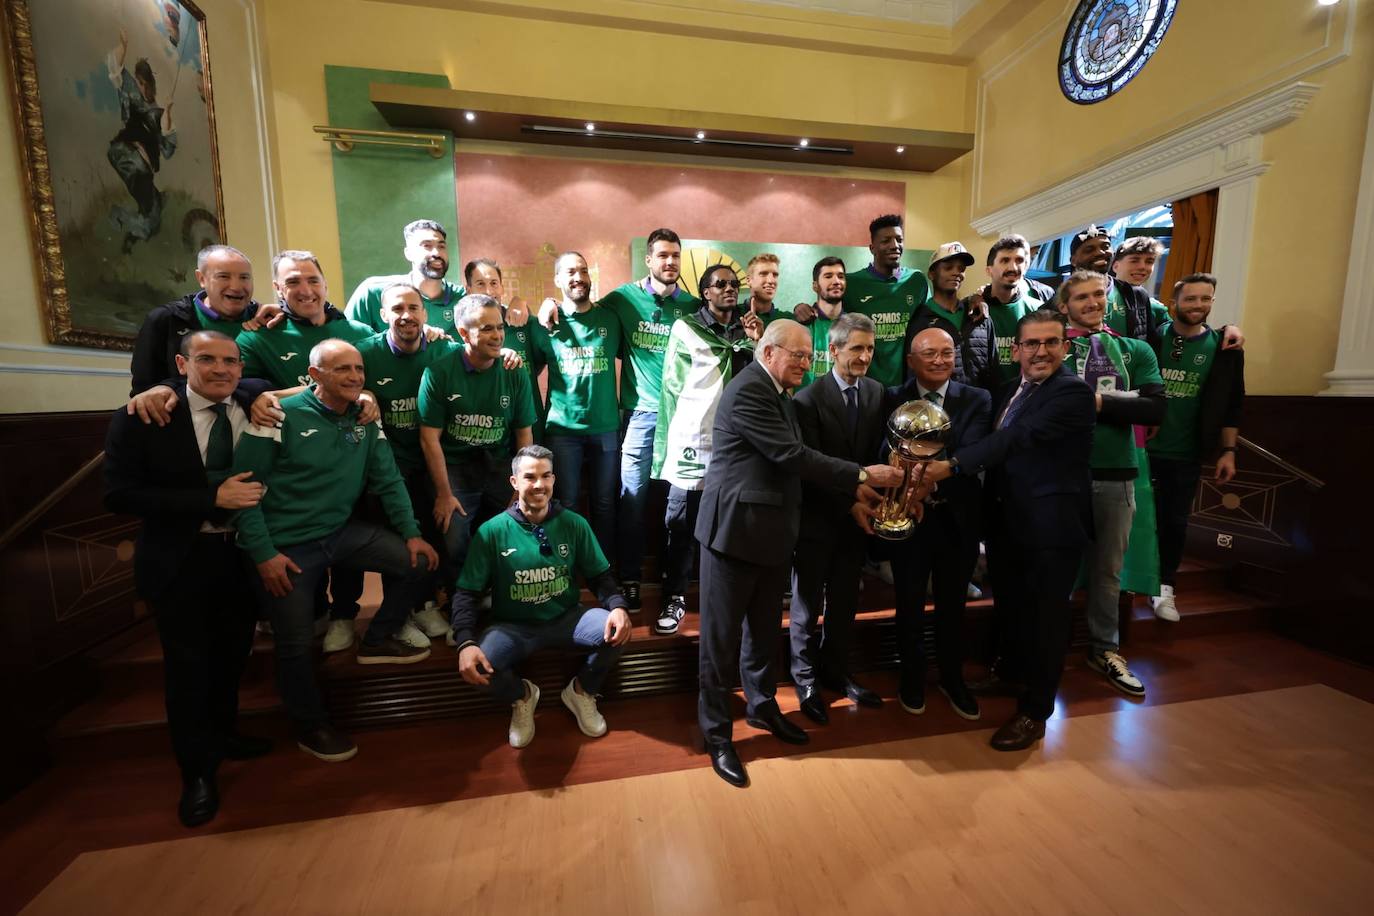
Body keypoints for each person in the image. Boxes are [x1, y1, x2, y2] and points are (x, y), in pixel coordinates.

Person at [694, 319, 903, 787]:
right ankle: (717, 735)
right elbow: (792, 455)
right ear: (768, 352)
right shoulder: (750, 389)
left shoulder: (779, 392)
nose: (806, 365)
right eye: (798, 356)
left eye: (810, 357)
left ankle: (763, 708)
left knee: (763, 634)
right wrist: (862, 476)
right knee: (720, 643)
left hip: (770, 535)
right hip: (733, 535)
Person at [232, 339, 440, 763]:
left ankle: (379, 638)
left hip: (338, 534)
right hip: (284, 548)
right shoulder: (277, 416)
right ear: (313, 375)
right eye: (341, 369)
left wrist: (411, 532)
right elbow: (243, 492)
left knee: (420, 561)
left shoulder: (365, 418)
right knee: (295, 643)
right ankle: (312, 726)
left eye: (359, 370)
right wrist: (263, 554)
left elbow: (389, 480)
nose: (355, 377)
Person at [104, 330, 271, 828]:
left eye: (230, 361)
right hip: (181, 560)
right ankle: (197, 773)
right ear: (181, 363)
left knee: (233, 655)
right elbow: (117, 495)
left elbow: (302, 386)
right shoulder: (145, 416)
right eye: (207, 359)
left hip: (241, 557)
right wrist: (209, 500)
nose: (220, 369)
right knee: (187, 669)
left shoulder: (250, 400)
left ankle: (225, 734)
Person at [926, 308, 1096, 751]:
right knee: (1015, 611)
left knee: (1047, 621)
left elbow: (1014, 439)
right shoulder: (1005, 391)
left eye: (1051, 343)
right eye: (1032, 344)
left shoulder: (1072, 394)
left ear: (1065, 346)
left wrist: (950, 466)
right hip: (1007, 525)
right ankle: (1011, 676)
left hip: (1051, 529)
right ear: (1016, 349)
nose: (1041, 352)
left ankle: (1036, 712)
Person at [539, 229, 700, 610]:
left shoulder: (692, 306)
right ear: (649, 259)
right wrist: (545, 301)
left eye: (675, 255)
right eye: (662, 255)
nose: (670, 262)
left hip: (685, 418)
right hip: (640, 416)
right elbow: (578, 305)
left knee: (678, 501)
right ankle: (626, 577)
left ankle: (673, 579)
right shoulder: (622, 301)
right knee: (631, 500)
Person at [452, 446, 633, 748]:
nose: (539, 484)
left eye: (546, 476)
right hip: (513, 626)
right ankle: (522, 697)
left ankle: (581, 691)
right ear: (514, 482)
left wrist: (617, 607)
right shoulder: (491, 532)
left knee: (618, 632)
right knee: (480, 665)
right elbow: (466, 593)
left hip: (567, 618)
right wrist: (465, 642)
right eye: (530, 477)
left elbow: (600, 577)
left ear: (554, 479)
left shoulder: (574, 524)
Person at [324, 283, 459, 653]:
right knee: (390, 540)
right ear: (382, 316)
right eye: (397, 308)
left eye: (413, 308)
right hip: (381, 466)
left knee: (431, 534)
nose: (406, 315)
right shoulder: (365, 354)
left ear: (424, 313)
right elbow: (336, 387)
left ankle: (425, 605)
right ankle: (384, 618)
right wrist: (364, 394)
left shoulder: (445, 350)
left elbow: (479, 355)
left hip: (432, 462)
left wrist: (508, 352)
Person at [1057, 270, 1166, 698]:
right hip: (1063, 474)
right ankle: (1045, 646)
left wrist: (1096, 401)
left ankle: (1104, 649)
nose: (1091, 303)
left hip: (1116, 473)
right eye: (1081, 297)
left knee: (1107, 571)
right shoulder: (1058, 348)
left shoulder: (1134, 349)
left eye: (1097, 295)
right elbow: (1052, 404)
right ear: (1065, 304)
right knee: (1056, 567)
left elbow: (1155, 408)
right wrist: (1125, 401)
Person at [884, 328, 992, 720]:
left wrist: (926, 473)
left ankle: (952, 678)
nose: (940, 360)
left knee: (953, 606)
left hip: (957, 520)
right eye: (930, 353)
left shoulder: (977, 399)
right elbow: (885, 450)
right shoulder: (891, 398)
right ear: (911, 360)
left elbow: (973, 452)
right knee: (908, 604)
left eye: (947, 353)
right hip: (908, 518)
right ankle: (911, 677)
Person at [651, 264, 761, 635]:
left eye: (733, 285)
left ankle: (723, 596)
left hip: (735, 444)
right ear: (705, 292)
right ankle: (675, 595)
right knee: (680, 523)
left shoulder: (748, 331)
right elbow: (672, 388)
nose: (729, 289)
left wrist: (756, 342)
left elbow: (762, 382)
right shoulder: (687, 329)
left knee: (729, 523)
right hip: (692, 440)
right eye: (720, 285)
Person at [790, 314, 887, 724]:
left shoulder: (878, 393)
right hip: (817, 519)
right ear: (833, 350)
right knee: (806, 605)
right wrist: (852, 501)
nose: (865, 356)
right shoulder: (806, 400)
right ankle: (805, 679)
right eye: (856, 349)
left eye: (869, 348)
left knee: (846, 603)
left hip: (856, 524)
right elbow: (809, 466)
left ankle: (836, 671)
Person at [418, 294, 537, 606]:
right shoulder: (438, 373)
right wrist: (444, 494)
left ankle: (498, 596)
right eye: (486, 329)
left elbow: (524, 434)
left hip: (498, 465)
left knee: (513, 532)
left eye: (499, 327)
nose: (497, 336)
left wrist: (522, 486)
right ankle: (461, 604)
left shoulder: (514, 370)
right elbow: (429, 439)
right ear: (463, 333)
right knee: (454, 537)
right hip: (454, 468)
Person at [1147, 273, 1245, 621]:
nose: (1198, 305)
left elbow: (1233, 402)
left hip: (1187, 452)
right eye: (1190, 299)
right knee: (1135, 520)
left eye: (1205, 299)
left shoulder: (1226, 348)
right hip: (1142, 449)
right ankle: (1131, 582)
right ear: (1176, 302)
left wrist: (1229, 451)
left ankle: (1164, 588)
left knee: (1174, 522)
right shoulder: (1151, 338)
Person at [529, 252, 623, 562]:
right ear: (557, 280)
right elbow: (525, 372)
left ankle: (604, 568)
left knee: (606, 503)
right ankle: (567, 569)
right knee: (565, 503)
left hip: (606, 427)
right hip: (562, 431)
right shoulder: (544, 325)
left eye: (583, 271)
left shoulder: (610, 318)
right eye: (570, 272)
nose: (578, 277)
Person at [129, 245, 280, 395]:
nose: (236, 286)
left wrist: (286, 312)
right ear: (202, 278)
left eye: (244, 277)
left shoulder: (268, 320)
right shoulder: (166, 319)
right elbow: (144, 390)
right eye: (224, 276)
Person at [236, 250, 375, 391]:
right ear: (278, 288)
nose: (306, 291)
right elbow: (242, 395)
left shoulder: (362, 334)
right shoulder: (256, 339)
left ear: (325, 285)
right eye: (293, 282)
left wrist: (368, 395)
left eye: (313, 281)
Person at [105, 28, 176, 251]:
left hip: (142, 166)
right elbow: (115, 69)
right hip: (128, 156)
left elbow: (167, 148)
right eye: (140, 82)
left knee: (154, 217)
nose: (142, 86)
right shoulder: (132, 95)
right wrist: (123, 47)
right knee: (149, 208)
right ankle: (119, 217)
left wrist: (168, 113)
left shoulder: (157, 112)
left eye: (145, 83)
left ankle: (131, 237)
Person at [902, 242, 999, 390]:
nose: (956, 272)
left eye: (961, 269)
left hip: (979, 405)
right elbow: (913, 373)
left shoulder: (979, 315)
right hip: (939, 405)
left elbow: (993, 367)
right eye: (948, 268)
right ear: (932, 274)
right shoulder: (919, 320)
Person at [346, 220, 467, 334]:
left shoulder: (462, 298)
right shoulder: (373, 292)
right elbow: (347, 341)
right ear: (408, 254)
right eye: (426, 245)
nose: (436, 253)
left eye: (441, 246)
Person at [976, 235, 1048, 387]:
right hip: (982, 397)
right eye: (1005, 260)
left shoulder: (1039, 310)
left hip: (1025, 397)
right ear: (989, 270)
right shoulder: (972, 309)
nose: (1013, 267)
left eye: (1019, 260)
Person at [799, 256, 846, 386]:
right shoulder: (801, 324)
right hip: (803, 404)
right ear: (815, 286)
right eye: (828, 276)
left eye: (841, 276)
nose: (836, 281)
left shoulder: (852, 327)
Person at [740, 253, 783, 325]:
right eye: (763, 274)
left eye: (775, 275)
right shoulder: (731, 315)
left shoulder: (786, 319)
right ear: (748, 280)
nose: (771, 280)